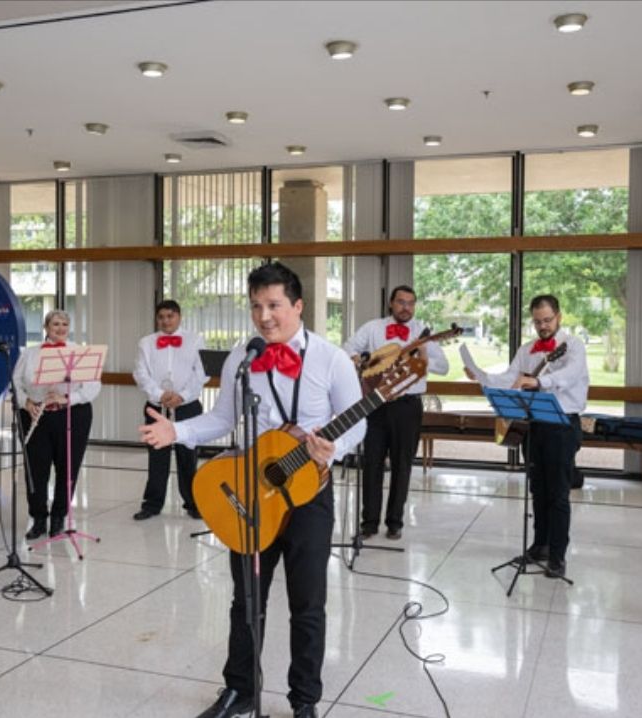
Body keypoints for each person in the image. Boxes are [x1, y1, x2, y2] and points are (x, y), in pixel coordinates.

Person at [140, 263, 365, 718]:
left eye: (274, 305)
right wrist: (177, 432)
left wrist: (333, 447)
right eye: (257, 306)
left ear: (297, 306)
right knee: (245, 602)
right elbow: (222, 419)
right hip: (249, 492)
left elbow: (358, 419)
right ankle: (239, 690)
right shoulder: (242, 356)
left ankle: (304, 700)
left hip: (308, 497)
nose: (264, 316)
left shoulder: (331, 358)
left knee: (308, 604)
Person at [468, 294, 588, 579]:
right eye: (537, 322)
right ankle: (540, 546)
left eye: (547, 320)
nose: (542, 326)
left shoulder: (573, 346)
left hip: (562, 424)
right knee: (537, 489)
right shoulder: (527, 349)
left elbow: (570, 375)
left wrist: (539, 381)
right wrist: (481, 376)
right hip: (534, 425)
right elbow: (511, 377)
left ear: (559, 317)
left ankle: (558, 556)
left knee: (558, 493)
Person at [343, 285, 448, 540]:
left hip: (408, 406)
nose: (406, 307)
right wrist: (365, 359)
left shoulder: (423, 333)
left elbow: (444, 367)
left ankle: (395, 522)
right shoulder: (373, 327)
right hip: (375, 404)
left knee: (403, 464)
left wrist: (422, 356)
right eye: (401, 302)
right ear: (391, 303)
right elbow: (346, 349)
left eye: (411, 303)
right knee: (372, 463)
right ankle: (368, 523)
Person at [14, 310, 101, 540]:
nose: (61, 328)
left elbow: (92, 387)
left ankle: (59, 517)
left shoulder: (79, 353)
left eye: (65, 324)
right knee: (36, 469)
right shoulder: (30, 354)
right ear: (46, 327)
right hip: (36, 414)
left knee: (68, 468)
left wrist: (68, 399)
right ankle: (39, 518)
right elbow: (15, 384)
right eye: (55, 324)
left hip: (72, 414)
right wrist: (27, 402)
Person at [132, 300, 207, 520]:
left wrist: (182, 395)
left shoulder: (195, 340)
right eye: (161, 317)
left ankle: (194, 503)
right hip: (157, 406)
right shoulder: (146, 343)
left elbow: (202, 373)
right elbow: (140, 373)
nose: (166, 321)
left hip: (187, 406)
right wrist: (159, 395)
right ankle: (152, 504)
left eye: (170, 316)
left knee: (188, 456)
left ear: (179, 316)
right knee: (157, 456)